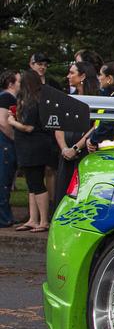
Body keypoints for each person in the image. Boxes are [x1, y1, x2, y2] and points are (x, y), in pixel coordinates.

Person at [9, 68, 58, 232]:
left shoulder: (32, 102)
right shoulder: (32, 99)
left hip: (34, 147)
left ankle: (43, 221)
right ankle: (33, 219)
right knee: (32, 184)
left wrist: (12, 121)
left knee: (37, 183)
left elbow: (29, 127)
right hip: (29, 147)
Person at [52, 62, 100, 206]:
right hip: (66, 154)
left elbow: (96, 126)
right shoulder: (67, 97)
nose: (68, 76)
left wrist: (76, 148)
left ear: (83, 76)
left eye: (72, 73)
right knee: (63, 191)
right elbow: (58, 124)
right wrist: (64, 148)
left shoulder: (97, 98)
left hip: (84, 151)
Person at [0, 71, 17, 227]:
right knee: (3, 180)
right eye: (18, 81)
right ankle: (3, 218)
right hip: (5, 143)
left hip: (6, 143)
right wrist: (16, 139)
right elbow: (3, 122)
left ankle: (5, 216)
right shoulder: (6, 98)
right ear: (11, 83)